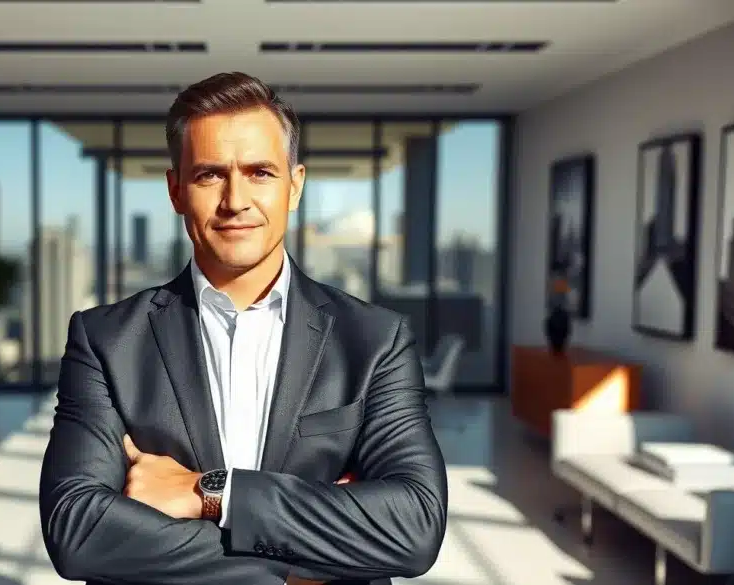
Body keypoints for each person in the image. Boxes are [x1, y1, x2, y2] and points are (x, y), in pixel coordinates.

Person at [39, 71, 447, 585]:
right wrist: (306, 560)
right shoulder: (105, 341)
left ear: (294, 186)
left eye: (260, 172)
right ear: (176, 190)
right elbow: (77, 531)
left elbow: (414, 526)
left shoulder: (374, 340)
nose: (235, 200)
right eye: (210, 175)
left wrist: (212, 494)